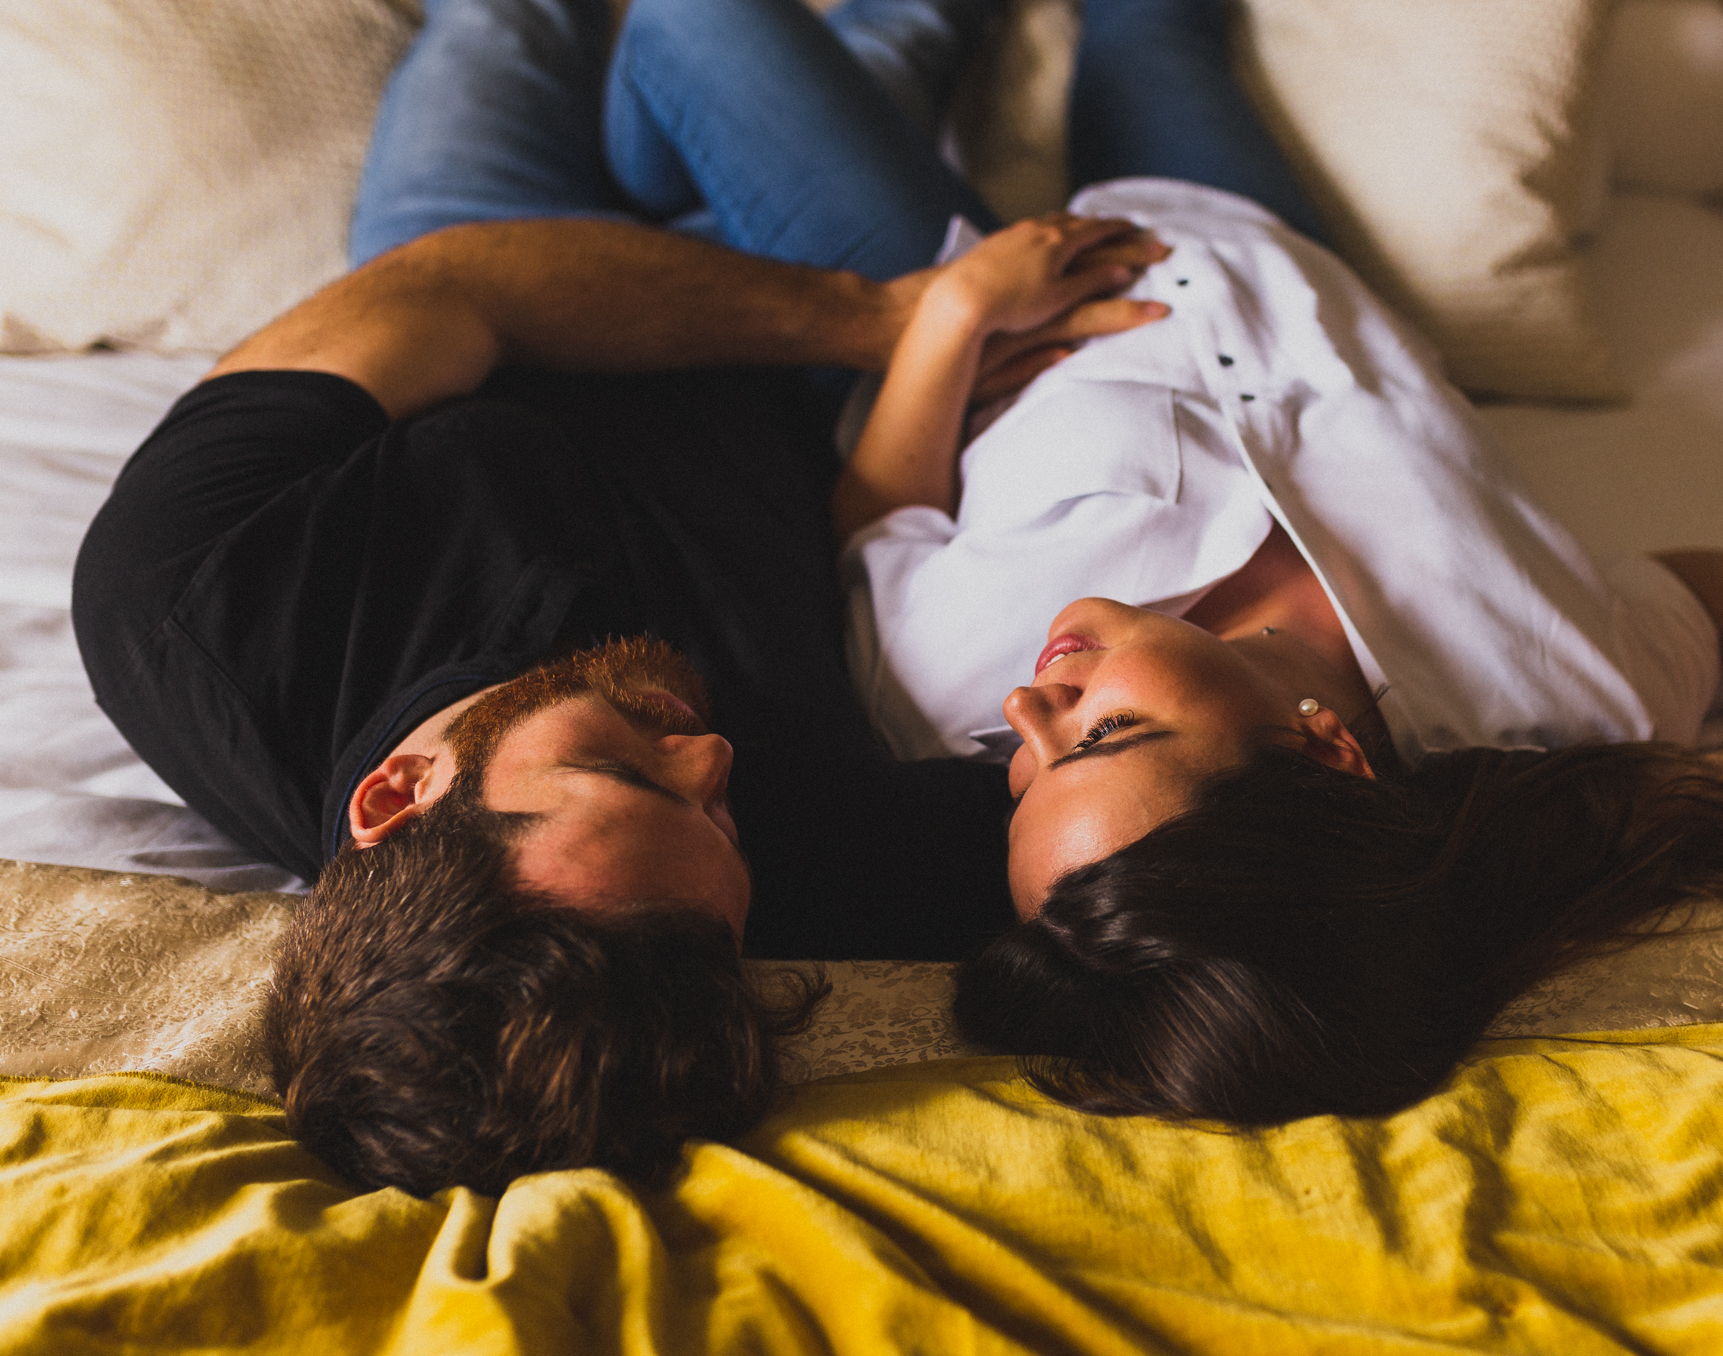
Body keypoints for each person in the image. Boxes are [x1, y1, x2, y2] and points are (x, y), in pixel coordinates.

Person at [708, 0, 1723, 1117]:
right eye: (1102, 734)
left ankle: (913, 27)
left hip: (939, 298)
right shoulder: (1553, 680)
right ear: (1325, 748)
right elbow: (1701, 606)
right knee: (1150, 32)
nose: (1025, 708)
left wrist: (952, 315)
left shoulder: (943, 692)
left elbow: (879, 516)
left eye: (1019, 777)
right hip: (1251, 238)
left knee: (699, 25)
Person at [69, 0, 1163, 1195]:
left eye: (625, 774)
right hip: (802, 379)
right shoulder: (785, 879)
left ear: (398, 792)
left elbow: (457, 292)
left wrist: (878, 314)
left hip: (508, 264)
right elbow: (1177, 827)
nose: (711, 759)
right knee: (873, 39)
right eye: (722, 828)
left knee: (508, 20)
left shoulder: (188, 594)